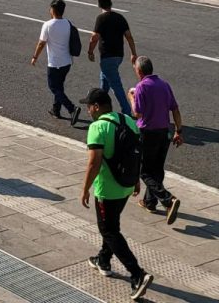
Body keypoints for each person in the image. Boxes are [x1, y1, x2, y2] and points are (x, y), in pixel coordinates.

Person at [79, 88, 154, 299]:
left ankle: (137, 274)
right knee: (112, 225)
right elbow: (137, 154)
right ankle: (103, 260)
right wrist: (137, 180)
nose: (87, 110)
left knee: (109, 230)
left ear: (96, 107)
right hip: (127, 185)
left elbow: (94, 163)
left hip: (108, 189)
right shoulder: (127, 120)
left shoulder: (97, 127)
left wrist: (85, 188)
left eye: (88, 106)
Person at [127, 57, 183, 224]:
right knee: (157, 170)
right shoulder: (164, 84)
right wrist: (179, 131)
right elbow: (175, 108)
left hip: (147, 133)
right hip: (164, 132)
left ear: (140, 71)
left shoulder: (141, 87)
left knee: (145, 171)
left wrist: (131, 96)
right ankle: (149, 202)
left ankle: (168, 200)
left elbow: (137, 113)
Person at [87, 0, 136, 115]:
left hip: (107, 57)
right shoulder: (119, 17)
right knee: (104, 83)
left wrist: (90, 51)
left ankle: (126, 111)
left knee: (116, 85)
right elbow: (129, 37)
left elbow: (94, 38)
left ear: (99, 4)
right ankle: (101, 106)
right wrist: (133, 53)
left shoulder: (101, 18)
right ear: (111, 3)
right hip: (118, 55)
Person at [30, 0, 77, 120]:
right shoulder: (68, 23)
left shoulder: (48, 25)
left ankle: (72, 108)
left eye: (50, 8)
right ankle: (56, 110)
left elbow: (41, 43)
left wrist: (35, 57)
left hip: (55, 63)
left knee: (53, 87)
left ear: (53, 10)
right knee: (59, 87)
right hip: (67, 62)